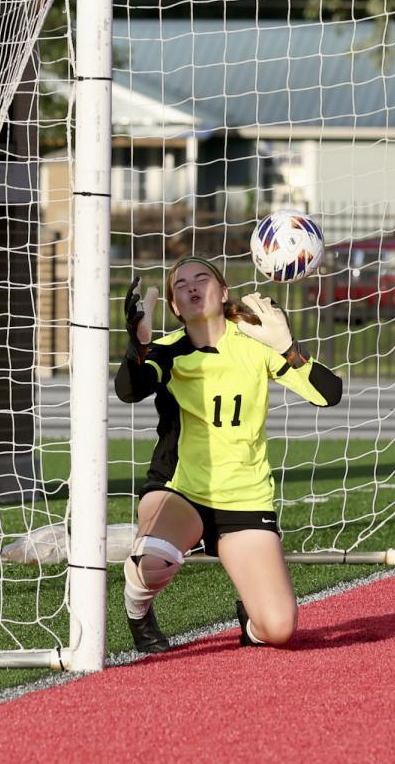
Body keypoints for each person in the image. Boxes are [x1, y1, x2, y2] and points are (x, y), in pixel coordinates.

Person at [116, 256, 342, 653]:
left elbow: (329, 394)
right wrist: (139, 345)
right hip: (180, 489)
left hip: (244, 497)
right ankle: (138, 612)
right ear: (174, 306)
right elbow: (129, 389)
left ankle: (251, 621)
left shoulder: (256, 345)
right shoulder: (167, 351)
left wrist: (288, 347)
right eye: (180, 284)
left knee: (279, 629)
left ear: (223, 293)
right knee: (153, 561)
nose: (191, 286)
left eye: (201, 278)